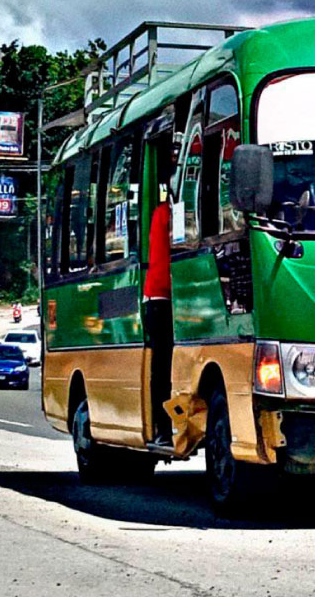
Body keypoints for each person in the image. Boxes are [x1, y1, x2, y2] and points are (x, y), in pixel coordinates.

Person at [145, 184, 174, 446]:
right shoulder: (168, 213)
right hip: (162, 297)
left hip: (173, 295)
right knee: (164, 367)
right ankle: (163, 428)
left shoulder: (165, 212)